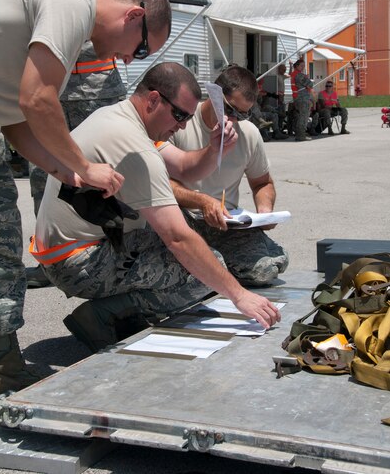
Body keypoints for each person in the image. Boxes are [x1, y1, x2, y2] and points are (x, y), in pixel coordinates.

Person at [0, 0, 171, 392]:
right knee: (2, 250)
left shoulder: (66, 29)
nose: (132, 60)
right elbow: (37, 99)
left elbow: (17, 122)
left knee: (2, 245)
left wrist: (67, 172)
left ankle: (3, 365)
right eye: (142, 47)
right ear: (132, 16)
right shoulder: (68, 1)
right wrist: (87, 166)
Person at [32, 62, 280, 353]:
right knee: (201, 272)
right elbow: (177, 238)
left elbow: (186, 168)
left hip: (77, 245)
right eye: (179, 115)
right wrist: (240, 296)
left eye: (187, 117)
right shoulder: (135, 146)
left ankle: (124, 308)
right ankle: (107, 315)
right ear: (152, 99)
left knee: (200, 254)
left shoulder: (120, 116)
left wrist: (215, 150)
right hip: (79, 261)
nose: (183, 125)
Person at [27, 0, 130, 288]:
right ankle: (47, 261)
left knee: (108, 171)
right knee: (46, 176)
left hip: (99, 93)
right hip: (51, 95)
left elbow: (124, 22)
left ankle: (111, 245)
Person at [164, 64, 289, 287]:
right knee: (208, 272)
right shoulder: (181, 122)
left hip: (227, 225)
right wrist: (201, 201)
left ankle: (215, 269)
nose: (233, 120)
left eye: (243, 114)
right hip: (184, 222)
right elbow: (161, 184)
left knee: (272, 265)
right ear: (214, 96)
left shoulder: (248, 133)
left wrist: (265, 211)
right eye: (230, 110)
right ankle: (212, 271)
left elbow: (262, 183)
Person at [290, 59, 314, 141]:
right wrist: (307, 78)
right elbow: (310, 84)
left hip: (297, 98)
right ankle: (301, 135)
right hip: (302, 98)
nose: (303, 67)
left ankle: (300, 134)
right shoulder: (300, 75)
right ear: (296, 66)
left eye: (304, 66)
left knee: (301, 116)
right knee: (303, 116)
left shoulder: (293, 74)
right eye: (301, 66)